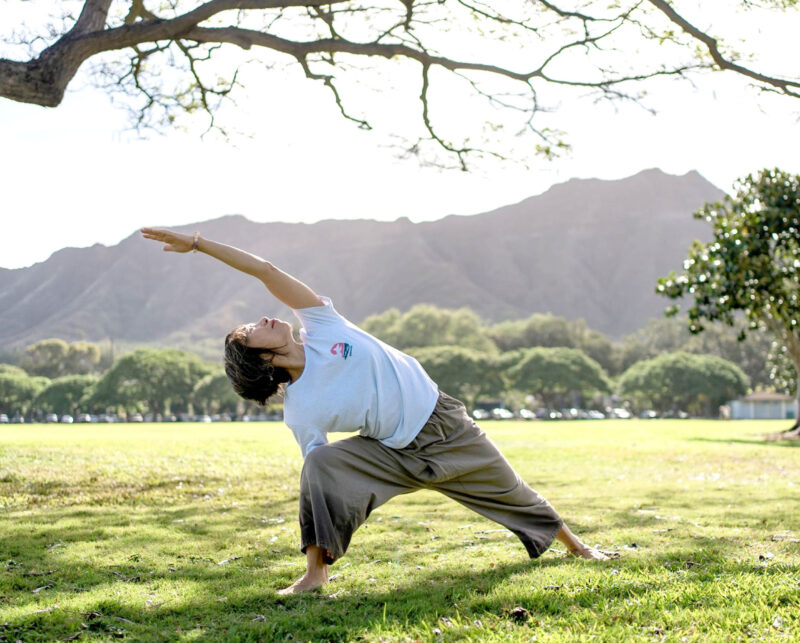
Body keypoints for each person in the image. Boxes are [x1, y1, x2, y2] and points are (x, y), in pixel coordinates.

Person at [141, 227, 610, 595]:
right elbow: (319, 477)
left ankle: (577, 547)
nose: (261, 319)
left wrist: (199, 244)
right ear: (262, 360)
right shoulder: (301, 410)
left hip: (445, 423)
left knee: (513, 491)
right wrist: (338, 493)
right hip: (393, 454)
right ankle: (315, 574)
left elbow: (265, 270)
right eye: (250, 331)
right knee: (319, 465)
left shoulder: (321, 325)